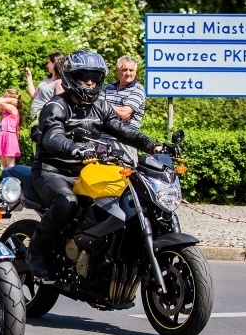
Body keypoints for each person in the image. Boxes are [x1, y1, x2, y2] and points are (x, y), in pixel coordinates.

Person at [28, 50, 163, 280]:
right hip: (53, 171)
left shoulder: (99, 105)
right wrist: (73, 148)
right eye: (84, 76)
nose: (90, 82)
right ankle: (36, 252)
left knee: (121, 196)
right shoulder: (56, 106)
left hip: (88, 170)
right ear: (72, 77)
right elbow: (52, 136)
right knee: (66, 203)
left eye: (95, 77)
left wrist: (153, 146)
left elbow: (122, 129)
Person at [101, 55, 146, 164]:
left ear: (136, 72)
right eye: (124, 70)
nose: (128, 73)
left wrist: (104, 106)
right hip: (102, 139)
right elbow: (95, 108)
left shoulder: (138, 90)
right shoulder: (108, 88)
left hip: (125, 141)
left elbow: (124, 113)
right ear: (117, 71)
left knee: (125, 175)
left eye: (131, 70)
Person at [25, 52, 65, 120]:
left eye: (48, 62)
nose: (46, 65)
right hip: (35, 117)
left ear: (55, 63)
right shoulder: (46, 79)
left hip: (45, 117)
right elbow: (33, 96)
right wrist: (29, 77)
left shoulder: (59, 82)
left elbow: (59, 104)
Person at [0, 88, 22, 168]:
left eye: (5, 97)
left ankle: (12, 179)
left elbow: (0, 102)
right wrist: (6, 97)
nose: (3, 98)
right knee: (4, 166)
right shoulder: (5, 110)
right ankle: (5, 179)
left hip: (9, 136)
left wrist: (13, 99)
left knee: (10, 166)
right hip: (3, 135)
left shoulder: (13, 109)